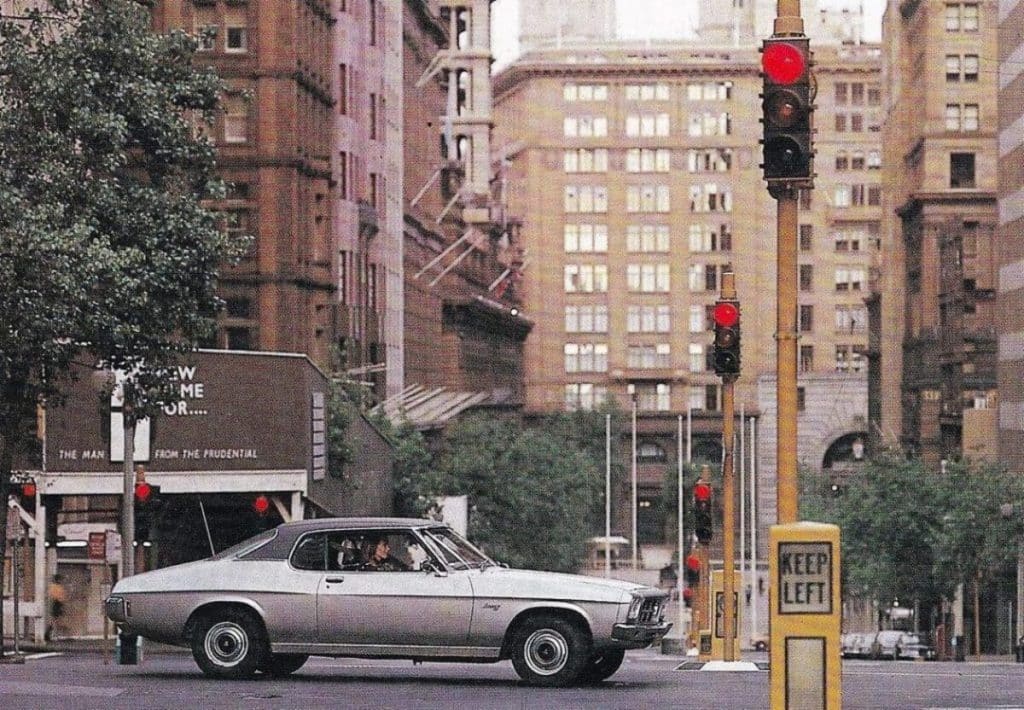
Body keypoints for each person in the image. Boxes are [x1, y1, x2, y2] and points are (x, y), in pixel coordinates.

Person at [46, 574, 67, 642]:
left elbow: (51, 595)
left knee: (55, 620)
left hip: (56, 603)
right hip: (57, 603)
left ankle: (51, 634)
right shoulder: (56, 587)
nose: (61, 581)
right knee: (55, 620)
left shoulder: (53, 587)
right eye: (60, 579)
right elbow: (58, 597)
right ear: (58, 580)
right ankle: (51, 634)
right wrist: (61, 604)